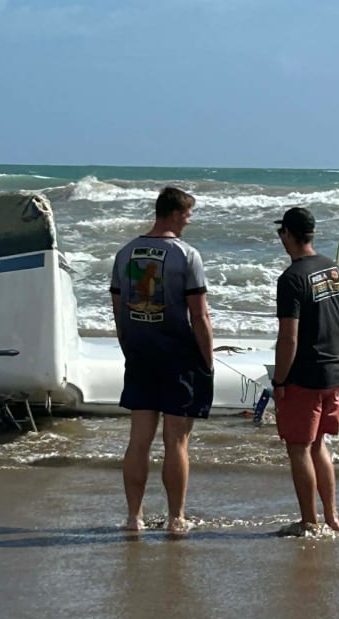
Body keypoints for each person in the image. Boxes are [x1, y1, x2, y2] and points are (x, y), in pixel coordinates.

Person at [110, 187, 214, 532]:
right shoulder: (186, 255)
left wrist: (129, 349)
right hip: (178, 355)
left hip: (140, 353)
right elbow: (200, 317)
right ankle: (175, 517)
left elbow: (118, 311)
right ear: (173, 213)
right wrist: (208, 359)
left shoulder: (125, 253)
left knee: (139, 439)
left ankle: (132, 517)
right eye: (187, 214)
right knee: (176, 440)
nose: (188, 221)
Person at [272, 207, 339, 533]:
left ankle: (309, 521)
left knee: (299, 448)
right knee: (318, 445)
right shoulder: (335, 270)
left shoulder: (291, 279)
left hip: (304, 374)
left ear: (288, 233)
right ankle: (332, 517)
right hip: (334, 369)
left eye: (281, 233)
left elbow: (289, 337)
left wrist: (279, 379)